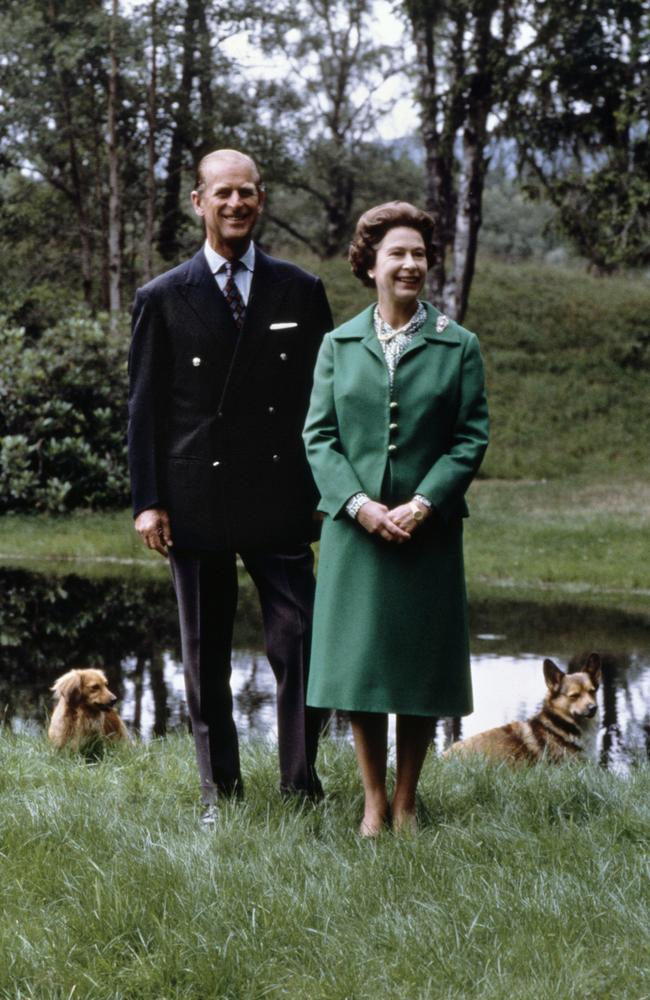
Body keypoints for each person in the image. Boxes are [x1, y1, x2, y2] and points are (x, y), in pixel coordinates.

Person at [128, 149, 333, 823]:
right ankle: (221, 794)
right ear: (199, 202)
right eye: (223, 194)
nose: (235, 204)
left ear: (262, 200)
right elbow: (146, 408)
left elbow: (321, 400)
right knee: (203, 657)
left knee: (302, 639)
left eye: (246, 193)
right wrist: (148, 501)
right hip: (195, 500)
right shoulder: (162, 297)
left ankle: (300, 788)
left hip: (280, 498)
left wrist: (329, 492)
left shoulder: (300, 290)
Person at [302, 201, 489, 836]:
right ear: (371, 265)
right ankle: (373, 800)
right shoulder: (337, 344)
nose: (410, 265)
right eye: (397, 255)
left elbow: (469, 438)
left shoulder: (459, 345)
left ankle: (408, 800)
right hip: (355, 531)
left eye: (418, 254)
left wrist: (423, 502)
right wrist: (359, 505)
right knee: (362, 667)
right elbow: (319, 438)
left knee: (416, 666)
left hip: (425, 532)